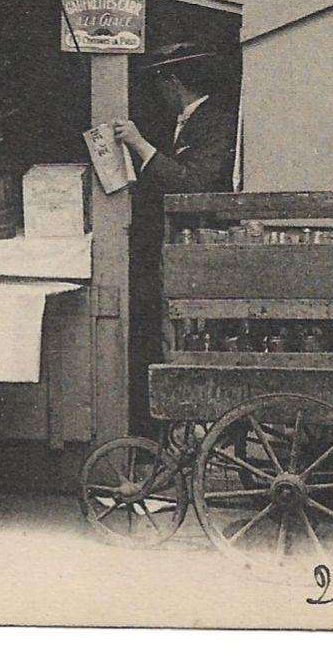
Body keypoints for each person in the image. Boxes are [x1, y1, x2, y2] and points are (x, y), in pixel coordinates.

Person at [112, 41, 238, 427]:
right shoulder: (186, 122)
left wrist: (138, 144)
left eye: (160, 83)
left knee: (191, 341)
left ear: (173, 82)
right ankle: (184, 435)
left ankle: (197, 433)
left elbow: (193, 184)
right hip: (177, 253)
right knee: (174, 338)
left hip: (201, 254)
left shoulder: (216, 121)